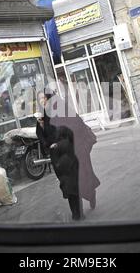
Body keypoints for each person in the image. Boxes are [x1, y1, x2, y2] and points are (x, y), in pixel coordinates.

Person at [35, 89, 100, 220]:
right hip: (57, 156)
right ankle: (78, 210)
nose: (43, 101)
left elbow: (76, 126)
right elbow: (41, 136)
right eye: (40, 99)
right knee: (65, 183)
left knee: (74, 182)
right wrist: (42, 128)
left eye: (44, 98)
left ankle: (78, 212)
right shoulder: (42, 116)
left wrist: (62, 142)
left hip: (71, 152)